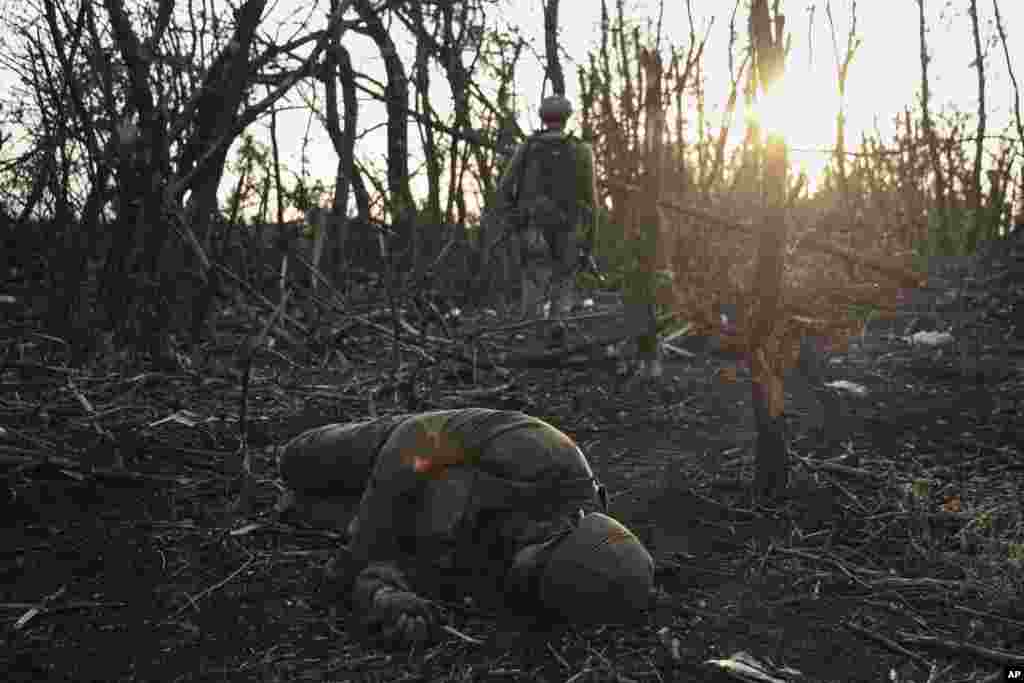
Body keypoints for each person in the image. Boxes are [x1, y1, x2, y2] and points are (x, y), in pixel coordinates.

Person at [276, 408, 654, 647]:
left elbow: (431, 570)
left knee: (301, 510)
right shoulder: (545, 455)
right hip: (409, 447)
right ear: (565, 526)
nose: (518, 574)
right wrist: (361, 554)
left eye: (533, 586)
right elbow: (415, 440)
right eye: (534, 567)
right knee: (296, 460)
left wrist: (386, 598)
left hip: (436, 507)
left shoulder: (547, 580)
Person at [497, 95, 598, 334]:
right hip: (569, 228)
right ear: (566, 118)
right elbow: (593, 203)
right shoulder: (582, 150)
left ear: (543, 118)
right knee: (564, 286)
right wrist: (590, 243)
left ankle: (532, 349)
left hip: (533, 228)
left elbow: (504, 187)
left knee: (533, 286)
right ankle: (557, 341)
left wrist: (514, 216)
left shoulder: (528, 147)